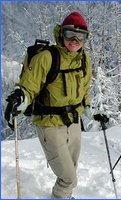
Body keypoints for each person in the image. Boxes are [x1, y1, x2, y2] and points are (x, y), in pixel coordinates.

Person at [5, 12, 92, 198]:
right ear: (61, 33)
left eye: (81, 36)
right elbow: (29, 86)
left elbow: (85, 89)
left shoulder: (85, 59)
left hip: (73, 122)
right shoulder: (46, 57)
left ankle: (64, 195)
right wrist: (20, 98)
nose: (75, 40)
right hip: (49, 124)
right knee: (69, 177)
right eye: (70, 34)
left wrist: (92, 109)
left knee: (71, 169)